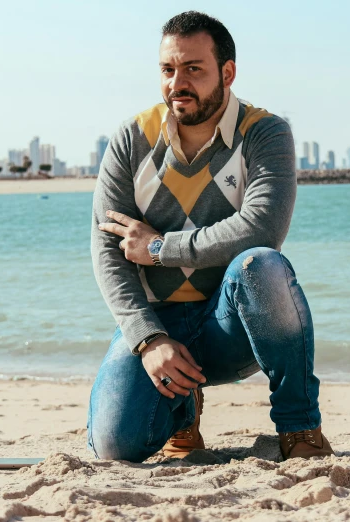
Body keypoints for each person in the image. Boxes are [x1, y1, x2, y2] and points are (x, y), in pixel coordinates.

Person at [87, 11, 334, 463]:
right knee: (113, 447)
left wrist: (160, 248)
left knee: (261, 264)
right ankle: (184, 411)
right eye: (168, 69)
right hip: (160, 324)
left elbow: (261, 227)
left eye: (193, 69)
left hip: (230, 326)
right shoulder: (131, 138)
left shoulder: (265, 133)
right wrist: (146, 339)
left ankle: (300, 428)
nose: (177, 83)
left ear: (227, 72)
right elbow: (107, 250)